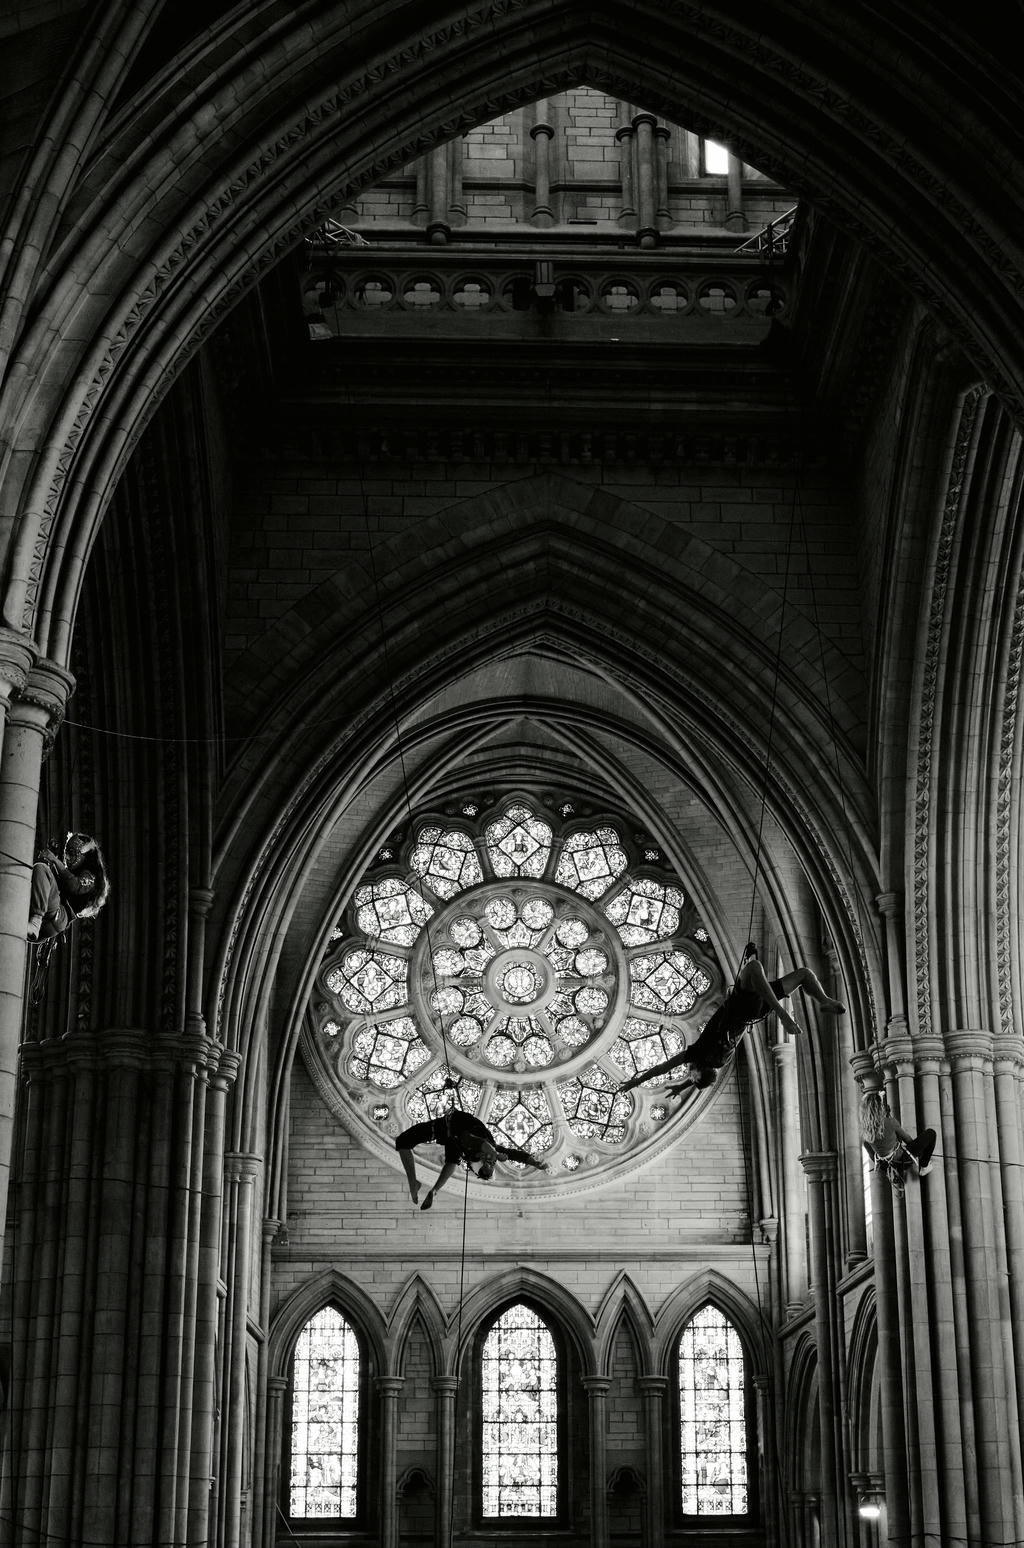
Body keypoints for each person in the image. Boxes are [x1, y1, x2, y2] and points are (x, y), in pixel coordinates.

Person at [619, 941, 846, 1096]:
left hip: (757, 1011)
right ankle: (788, 1012)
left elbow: (698, 1077)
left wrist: (682, 1086)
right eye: (691, 1074)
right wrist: (635, 1082)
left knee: (803, 975)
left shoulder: (717, 1063)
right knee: (754, 967)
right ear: (697, 1070)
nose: (688, 1072)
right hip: (744, 1003)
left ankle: (824, 1001)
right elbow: (661, 1068)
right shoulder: (698, 1053)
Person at [396, 1108, 548, 1209]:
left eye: (487, 1163)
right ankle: (415, 1183)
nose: (491, 1163)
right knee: (403, 1143)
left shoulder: (472, 1148)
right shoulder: (484, 1147)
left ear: (479, 1162)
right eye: (491, 1164)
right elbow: (514, 1154)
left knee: (404, 1142)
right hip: (451, 1132)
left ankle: (416, 1184)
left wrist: (434, 1190)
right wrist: (532, 1162)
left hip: (444, 1130)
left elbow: (456, 1161)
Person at [27, 832, 110, 942]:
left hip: (59, 914)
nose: (67, 857)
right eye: (67, 853)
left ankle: (36, 920)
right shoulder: (75, 873)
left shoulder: (90, 876)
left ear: (85, 855)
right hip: (52, 923)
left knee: (41, 869)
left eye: (71, 853)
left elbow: (75, 886)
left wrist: (55, 861)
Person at [859, 1091, 935, 1197]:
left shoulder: (865, 1132)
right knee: (931, 1133)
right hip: (902, 1160)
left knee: (867, 1145)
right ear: (879, 1108)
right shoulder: (890, 1122)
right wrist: (919, 1150)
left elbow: (875, 1151)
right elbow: (908, 1140)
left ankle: (887, 1169)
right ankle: (924, 1166)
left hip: (886, 1164)